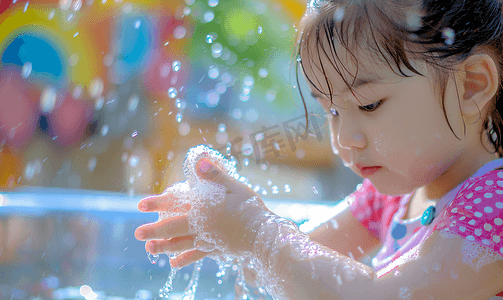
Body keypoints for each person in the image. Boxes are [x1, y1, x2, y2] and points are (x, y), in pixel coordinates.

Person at [135, 0, 503, 298]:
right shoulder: (392, 197)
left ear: (471, 85)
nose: (344, 138)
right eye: (331, 110)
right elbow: (294, 272)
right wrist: (229, 228)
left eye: (368, 105)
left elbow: (377, 296)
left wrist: (257, 234)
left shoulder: (496, 206)